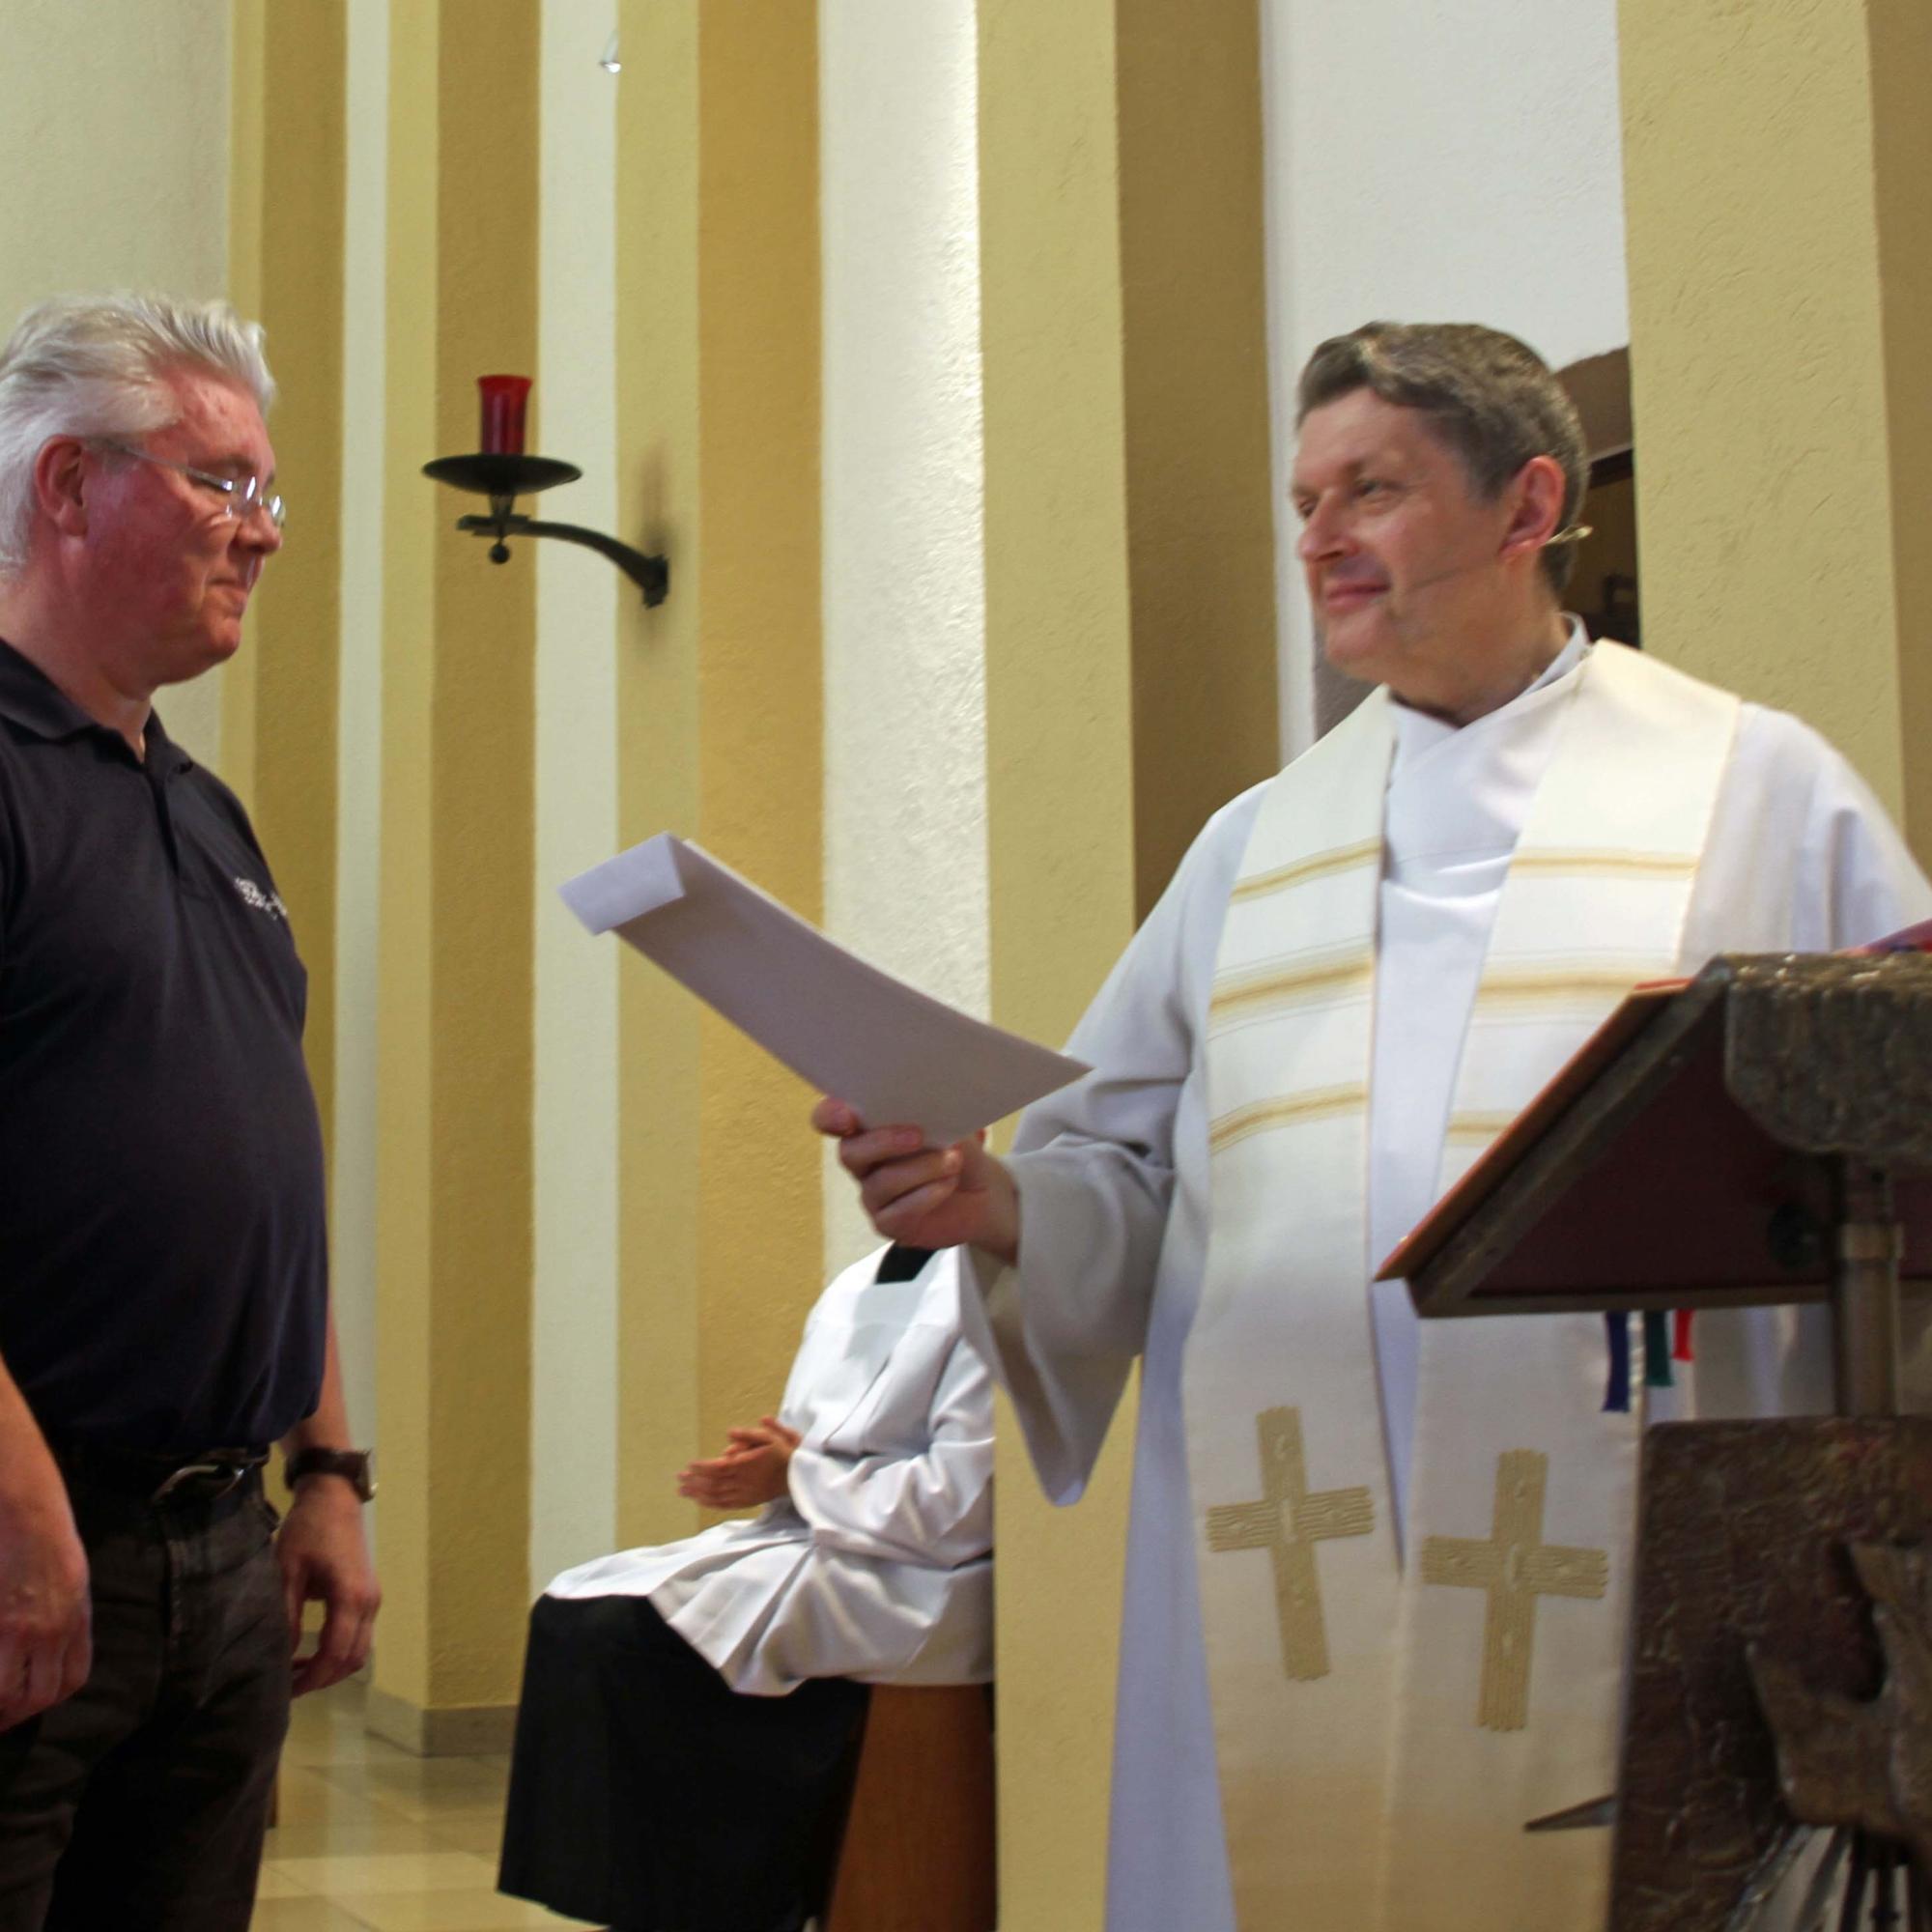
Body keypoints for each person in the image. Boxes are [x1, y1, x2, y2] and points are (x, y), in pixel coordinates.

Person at [815, 322, 1932, 1932]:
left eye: (1373, 492)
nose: (1319, 540)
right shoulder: (1256, 847)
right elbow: (1118, 1174)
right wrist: (995, 1205)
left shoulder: (1756, 794)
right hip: (1297, 1540)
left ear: (1528, 502)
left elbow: (1896, 1125)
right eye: (1305, 500)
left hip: (1634, 1540)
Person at [0, 293, 379, 1932]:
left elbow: (260, 1153)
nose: (263, 534)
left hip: (220, 1554)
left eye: (269, 491)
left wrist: (333, 1467)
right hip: (34, 1534)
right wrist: (14, 1507)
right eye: (220, 482)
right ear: (69, 489)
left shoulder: (206, 812)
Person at [498, 1241, 993, 1932]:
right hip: (824, 1533)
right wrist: (774, 1468)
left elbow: (963, 1504)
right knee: (569, 1612)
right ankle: (643, 1907)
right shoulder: (856, 1280)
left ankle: (739, 1901)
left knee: (634, 1647)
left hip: (924, 1574)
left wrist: (797, 1476)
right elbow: (809, 1435)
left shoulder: (996, 1283)